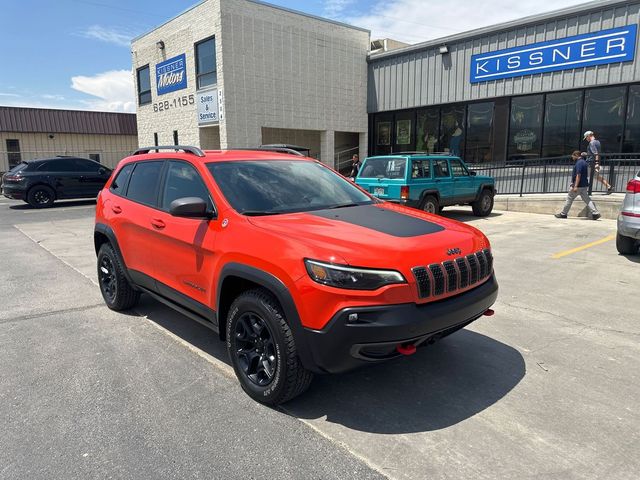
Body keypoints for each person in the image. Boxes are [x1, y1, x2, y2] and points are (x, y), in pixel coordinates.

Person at [555, 150, 600, 220]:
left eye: (573, 156)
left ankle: (563, 214)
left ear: (576, 155)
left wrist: (575, 186)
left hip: (578, 186)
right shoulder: (585, 163)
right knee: (587, 199)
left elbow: (578, 175)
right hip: (584, 185)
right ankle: (595, 213)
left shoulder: (579, 163)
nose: (572, 158)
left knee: (569, 199)